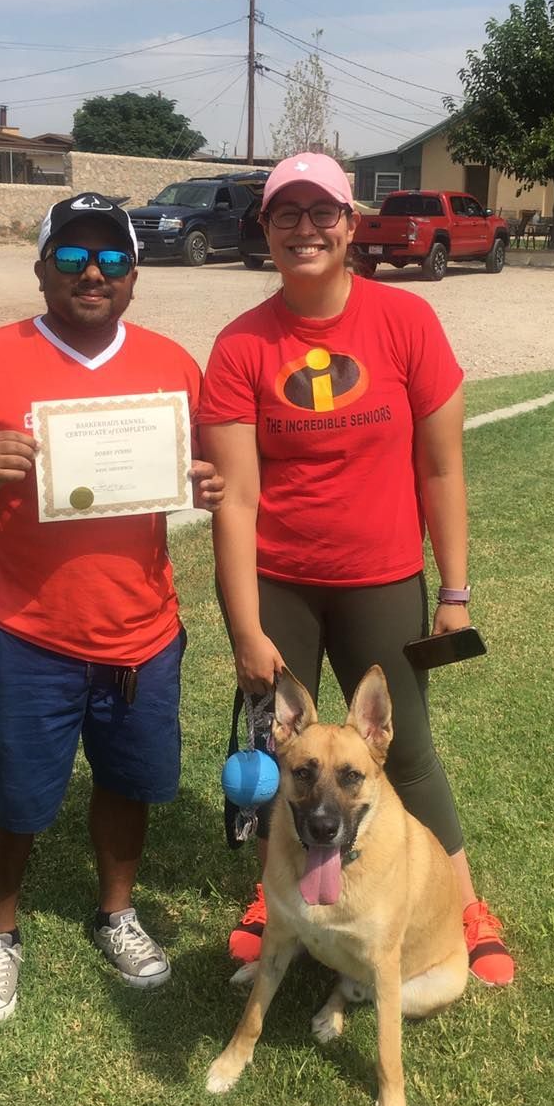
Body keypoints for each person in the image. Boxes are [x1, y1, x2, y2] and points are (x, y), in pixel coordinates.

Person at [0, 193, 223, 1024]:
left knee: (130, 783)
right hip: (25, 634)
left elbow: (210, 466)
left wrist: (207, 484)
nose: (92, 273)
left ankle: (116, 911)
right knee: (13, 797)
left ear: (135, 276)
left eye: (111, 259)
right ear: (41, 269)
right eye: (71, 258)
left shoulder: (173, 366)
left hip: (143, 632)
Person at [198, 153, 514, 987]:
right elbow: (234, 499)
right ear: (264, 229)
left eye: (322, 212)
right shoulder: (240, 346)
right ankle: (278, 893)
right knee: (283, 759)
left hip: (381, 579)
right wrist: (245, 627)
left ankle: (464, 902)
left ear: (351, 223)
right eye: (285, 215)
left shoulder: (405, 323)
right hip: (281, 583)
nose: (305, 229)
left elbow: (442, 471)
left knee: (399, 749)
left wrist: (453, 592)